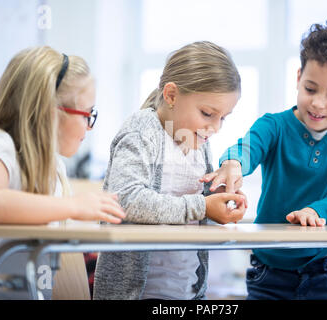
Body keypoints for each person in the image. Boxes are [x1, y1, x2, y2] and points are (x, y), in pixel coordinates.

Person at [201, 21, 327, 300]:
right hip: (269, 268)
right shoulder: (274, 125)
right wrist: (233, 163)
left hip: (326, 268)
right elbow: (248, 147)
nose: (318, 103)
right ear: (298, 77)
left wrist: (317, 211)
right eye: (310, 89)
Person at [93, 41, 247, 300]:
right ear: (172, 95)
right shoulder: (142, 131)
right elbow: (125, 200)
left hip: (185, 292)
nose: (216, 127)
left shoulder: (198, 143)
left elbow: (193, 214)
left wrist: (221, 200)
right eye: (207, 113)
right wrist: (202, 206)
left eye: (223, 117)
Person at [0, 46, 125, 299]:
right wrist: (72, 206)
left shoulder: (55, 167)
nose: (90, 126)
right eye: (87, 114)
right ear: (50, 111)